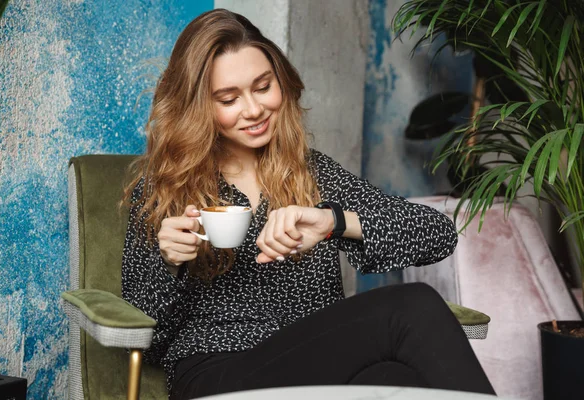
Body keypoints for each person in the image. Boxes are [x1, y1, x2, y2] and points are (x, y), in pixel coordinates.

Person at [121, 8, 496, 400]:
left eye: (263, 87)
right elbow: (143, 340)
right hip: (218, 373)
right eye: (229, 99)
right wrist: (169, 263)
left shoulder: (314, 174)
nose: (253, 110)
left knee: (391, 379)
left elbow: (438, 234)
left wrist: (334, 222)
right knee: (413, 305)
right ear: (199, 106)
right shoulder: (164, 187)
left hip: (318, 365)